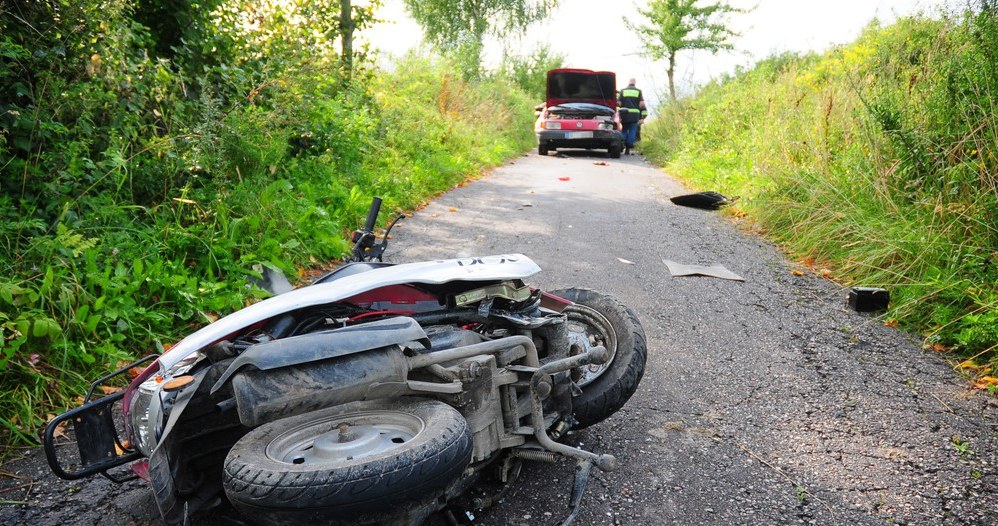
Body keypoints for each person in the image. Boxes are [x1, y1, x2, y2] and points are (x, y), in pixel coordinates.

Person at [617, 78, 647, 155]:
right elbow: (642, 104)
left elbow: (619, 103)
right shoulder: (638, 91)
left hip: (624, 113)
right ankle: (629, 144)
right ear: (635, 83)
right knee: (633, 130)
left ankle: (623, 143)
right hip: (635, 115)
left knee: (624, 130)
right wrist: (642, 116)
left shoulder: (623, 91)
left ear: (629, 82)